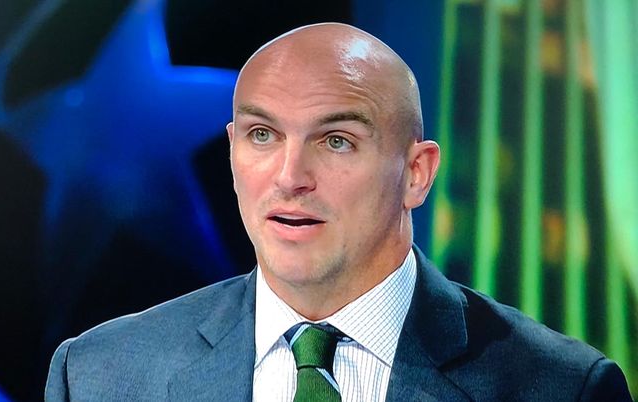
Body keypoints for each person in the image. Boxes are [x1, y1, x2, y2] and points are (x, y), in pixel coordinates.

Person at [45, 23, 632, 401]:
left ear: (417, 173)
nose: (290, 177)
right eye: (262, 135)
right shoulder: (98, 376)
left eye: (336, 141)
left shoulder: (561, 387)